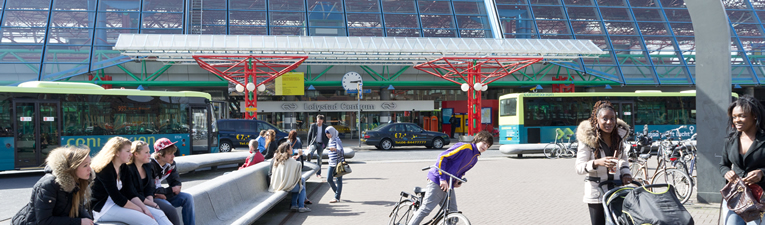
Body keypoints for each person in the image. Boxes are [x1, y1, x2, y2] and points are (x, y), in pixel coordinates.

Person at [407, 131, 493, 225]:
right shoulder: (466, 147)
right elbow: (442, 157)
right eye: (484, 143)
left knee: (453, 215)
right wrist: (442, 179)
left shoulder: (475, 158)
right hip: (437, 179)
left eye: (487, 146)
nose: (485, 147)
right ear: (477, 140)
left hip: (449, 184)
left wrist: (457, 181)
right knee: (426, 209)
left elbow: (461, 171)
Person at [574, 100, 632, 225]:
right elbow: (579, 168)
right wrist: (597, 163)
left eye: (612, 118)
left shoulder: (618, 137)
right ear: (597, 119)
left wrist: (626, 174)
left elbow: (623, 159)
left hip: (616, 190)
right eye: (604, 119)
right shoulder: (587, 140)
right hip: (596, 193)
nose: (609, 122)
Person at [90, 137, 171, 225]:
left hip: (119, 204)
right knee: (148, 221)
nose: (131, 154)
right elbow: (117, 198)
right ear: (116, 152)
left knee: (158, 214)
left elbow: (130, 193)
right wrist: (140, 209)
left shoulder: (123, 167)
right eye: (128, 151)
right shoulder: (105, 169)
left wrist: (145, 208)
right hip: (103, 209)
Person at [12, 146, 95, 225]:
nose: (90, 169)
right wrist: (78, 222)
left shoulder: (79, 182)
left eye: (89, 164)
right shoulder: (49, 184)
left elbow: (80, 211)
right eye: (85, 165)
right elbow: (44, 221)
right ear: (72, 168)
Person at [720, 95, 765, 225]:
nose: (737, 120)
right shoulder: (730, 140)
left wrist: (762, 173)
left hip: (759, 198)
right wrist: (726, 172)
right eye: (734, 117)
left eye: (742, 116)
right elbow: (723, 164)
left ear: (754, 116)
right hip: (735, 196)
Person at [128, 141, 180, 225]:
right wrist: (152, 204)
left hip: (148, 199)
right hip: (135, 201)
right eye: (146, 152)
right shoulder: (129, 169)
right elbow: (132, 194)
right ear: (136, 154)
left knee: (183, 200)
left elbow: (150, 188)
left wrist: (152, 203)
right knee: (169, 211)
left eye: (149, 152)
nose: (150, 155)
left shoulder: (147, 166)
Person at [151, 138, 196, 225]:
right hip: (150, 198)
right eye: (170, 153)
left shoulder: (171, 164)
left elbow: (176, 183)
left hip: (162, 194)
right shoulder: (150, 166)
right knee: (170, 208)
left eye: (173, 153)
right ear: (160, 155)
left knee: (187, 198)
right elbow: (152, 190)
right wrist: (170, 190)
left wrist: (166, 192)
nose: (173, 156)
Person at [268, 143, 311, 213]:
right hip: (285, 186)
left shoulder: (277, 159)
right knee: (301, 187)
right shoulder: (292, 161)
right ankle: (301, 206)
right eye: (291, 148)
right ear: (287, 150)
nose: (292, 149)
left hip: (276, 185)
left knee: (296, 183)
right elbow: (300, 167)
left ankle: (294, 205)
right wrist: (300, 155)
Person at [325, 126, 345, 203]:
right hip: (331, 163)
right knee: (329, 179)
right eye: (326, 134)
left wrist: (335, 149)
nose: (328, 135)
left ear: (332, 132)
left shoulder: (337, 139)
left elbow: (341, 152)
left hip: (338, 163)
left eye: (328, 133)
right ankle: (337, 193)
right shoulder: (330, 140)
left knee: (338, 180)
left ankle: (336, 197)